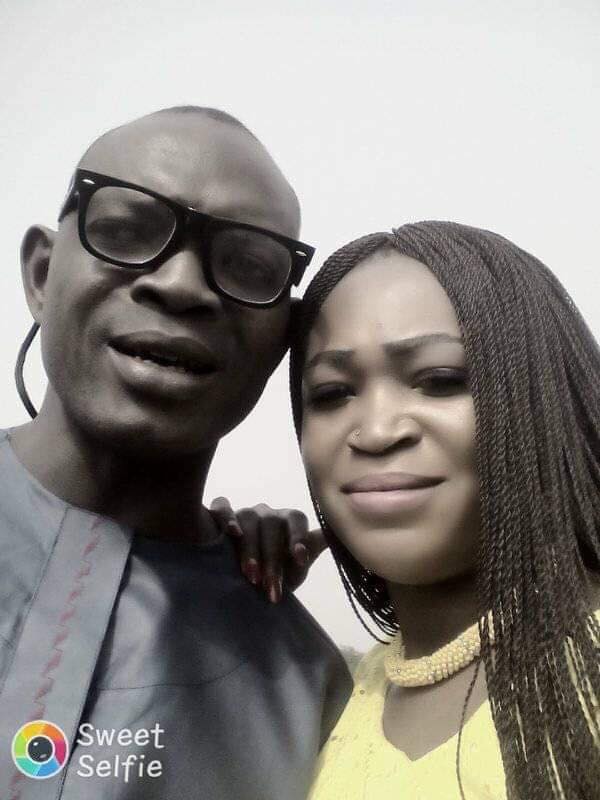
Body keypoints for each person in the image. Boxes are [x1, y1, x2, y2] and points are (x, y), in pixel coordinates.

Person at [0, 106, 351, 800]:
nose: (181, 286)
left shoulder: (313, 700)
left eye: (249, 266)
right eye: (127, 231)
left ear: (282, 341)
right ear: (41, 274)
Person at [283, 221, 600, 800]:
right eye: (331, 393)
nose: (377, 431)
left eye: (439, 380)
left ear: (545, 392)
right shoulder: (332, 701)